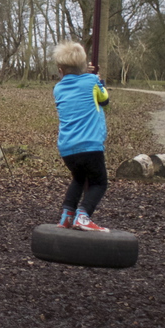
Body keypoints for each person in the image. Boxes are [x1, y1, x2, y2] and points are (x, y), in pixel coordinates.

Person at [52, 40, 110, 232]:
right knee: (99, 182)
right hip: (90, 144)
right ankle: (83, 216)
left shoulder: (58, 88)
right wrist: (97, 79)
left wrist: (88, 75)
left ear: (60, 69)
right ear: (84, 65)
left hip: (67, 148)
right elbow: (105, 99)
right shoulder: (92, 81)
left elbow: (76, 86)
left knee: (78, 178)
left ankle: (67, 215)